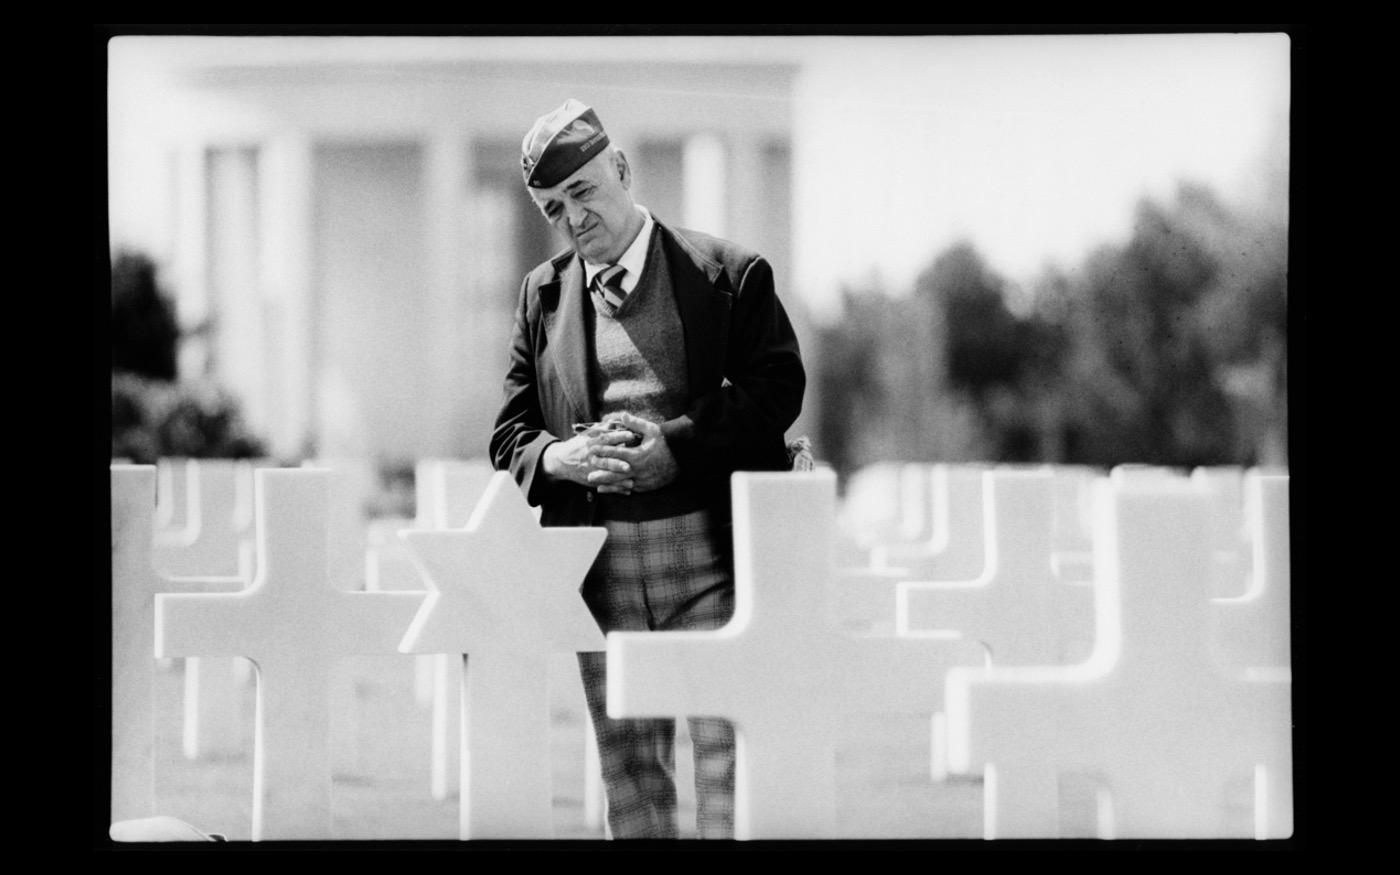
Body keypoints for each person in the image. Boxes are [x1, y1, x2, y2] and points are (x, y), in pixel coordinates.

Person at [489, 99, 806, 839]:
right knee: (629, 776)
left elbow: (777, 389)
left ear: (622, 170)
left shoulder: (729, 273)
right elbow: (509, 434)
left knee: (728, 765)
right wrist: (558, 455)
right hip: (600, 574)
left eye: (585, 192)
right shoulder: (542, 296)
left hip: (712, 563)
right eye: (553, 207)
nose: (574, 218)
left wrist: (678, 445)